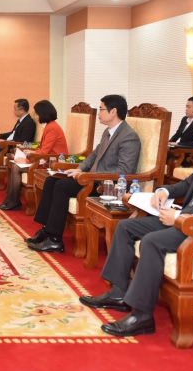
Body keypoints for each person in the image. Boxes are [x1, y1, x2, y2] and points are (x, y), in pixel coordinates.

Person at [79, 100, 193, 338]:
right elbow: (188, 184)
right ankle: (119, 293)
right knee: (126, 227)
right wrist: (164, 191)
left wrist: (180, 217)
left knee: (152, 241)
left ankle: (142, 316)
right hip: (191, 223)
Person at [28, 94, 141, 254]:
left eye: (101, 109)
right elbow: (94, 155)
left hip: (108, 186)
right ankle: (47, 230)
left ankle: (55, 240)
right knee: (53, 179)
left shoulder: (128, 137)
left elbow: (124, 170)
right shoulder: (108, 132)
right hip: (93, 179)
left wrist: (91, 174)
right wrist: (80, 169)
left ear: (113, 111)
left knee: (62, 186)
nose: (99, 113)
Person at [0, 100, 68, 211]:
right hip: (47, 159)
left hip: (53, 163)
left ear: (43, 113)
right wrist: (30, 152)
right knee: (14, 164)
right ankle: (10, 200)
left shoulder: (52, 128)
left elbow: (44, 152)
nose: (35, 116)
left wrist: (29, 157)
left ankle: (14, 201)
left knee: (16, 167)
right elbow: (43, 149)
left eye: (36, 114)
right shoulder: (49, 126)